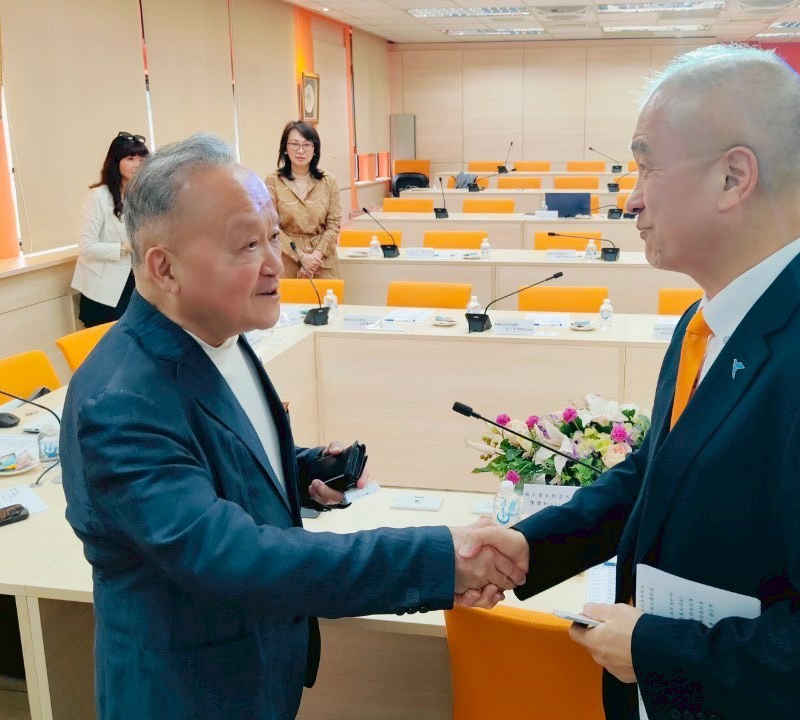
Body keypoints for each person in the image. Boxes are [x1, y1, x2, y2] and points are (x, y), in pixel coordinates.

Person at [465, 46, 800, 719]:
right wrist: (535, 545)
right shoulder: (709, 319)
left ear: (733, 178)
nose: (631, 199)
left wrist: (659, 651)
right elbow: (656, 476)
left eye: (647, 167)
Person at [59, 133, 525, 719]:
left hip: (261, 667)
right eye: (247, 245)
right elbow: (235, 556)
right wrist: (440, 558)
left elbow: (217, 449)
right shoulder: (120, 403)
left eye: (273, 236)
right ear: (164, 267)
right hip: (190, 692)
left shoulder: (218, 331)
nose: (274, 264)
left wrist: (303, 470)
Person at [71, 132, 149, 327]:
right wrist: (124, 247)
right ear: (116, 161)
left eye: (142, 159)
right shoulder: (98, 196)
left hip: (137, 283)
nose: (137, 164)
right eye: (130, 158)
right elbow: (86, 247)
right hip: (104, 289)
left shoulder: (143, 195)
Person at [265, 121, 342, 279]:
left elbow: (334, 225)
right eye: (294, 144)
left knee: (326, 296)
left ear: (315, 150)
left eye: (307, 145)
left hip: (322, 262)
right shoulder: (273, 181)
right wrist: (301, 257)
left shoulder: (329, 181)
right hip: (287, 261)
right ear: (285, 148)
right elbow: (271, 226)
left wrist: (314, 258)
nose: (300, 150)